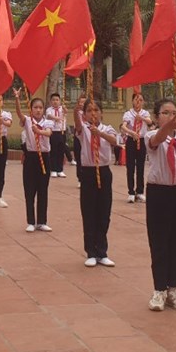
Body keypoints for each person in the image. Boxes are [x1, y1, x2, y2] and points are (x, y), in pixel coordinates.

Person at [143, 97, 176, 312]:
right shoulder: (152, 135)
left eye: (174, 112)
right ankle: (159, 289)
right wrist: (169, 126)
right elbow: (157, 139)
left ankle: (174, 288)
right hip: (158, 192)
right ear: (157, 117)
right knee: (158, 241)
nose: (170, 116)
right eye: (165, 112)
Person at [74, 99, 120, 268]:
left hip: (104, 171)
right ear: (85, 114)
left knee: (104, 212)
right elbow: (77, 125)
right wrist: (76, 111)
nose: (93, 113)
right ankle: (91, 252)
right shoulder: (83, 129)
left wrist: (99, 133)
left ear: (101, 113)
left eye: (96, 110)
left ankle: (102, 251)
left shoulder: (107, 128)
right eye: (89, 110)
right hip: (88, 173)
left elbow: (115, 141)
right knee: (89, 211)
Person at [14, 88, 53, 233]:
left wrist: (39, 131)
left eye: (40, 108)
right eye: (35, 107)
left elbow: (48, 133)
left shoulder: (47, 122)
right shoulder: (28, 121)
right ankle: (30, 221)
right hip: (31, 157)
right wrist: (17, 98)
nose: (38, 110)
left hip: (44, 157)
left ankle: (42, 222)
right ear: (31, 109)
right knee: (29, 190)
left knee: (43, 190)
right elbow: (19, 113)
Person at [121, 93, 150, 203]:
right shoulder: (128, 113)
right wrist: (131, 132)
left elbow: (150, 122)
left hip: (141, 141)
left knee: (141, 167)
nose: (138, 102)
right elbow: (123, 126)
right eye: (136, 99)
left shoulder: (145, 113)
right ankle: (131, 192)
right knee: (130, 167)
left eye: (141, 100)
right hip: (131, 140)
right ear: (132, 101)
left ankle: (140, 192)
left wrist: (141, 118)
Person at [45, 93, 69, 178]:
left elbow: (66, 112)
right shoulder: (49, 109)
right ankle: (53, 169)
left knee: (61, 151)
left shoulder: (62, 108)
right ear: (50, 101)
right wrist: (56, 118)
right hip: (53, 132)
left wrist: (64, 108)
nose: (55, 102)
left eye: (57, 100)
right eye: (53, 100)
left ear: (60, 101)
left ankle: (60, 170)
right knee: (53, 151)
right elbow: (48, 116)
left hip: (61, 131)